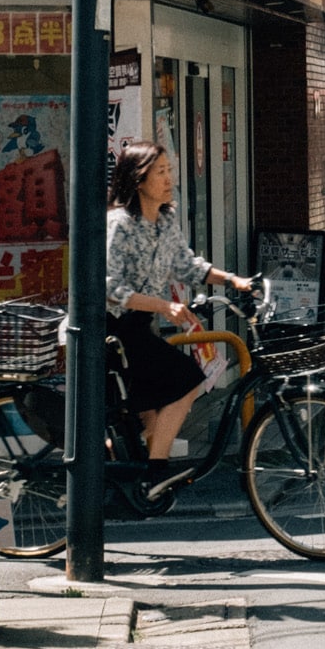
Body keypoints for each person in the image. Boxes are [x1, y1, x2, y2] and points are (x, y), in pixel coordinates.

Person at [105, 140, 253, 482]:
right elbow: (109, 288)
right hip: (113, 328)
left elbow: (188, 266)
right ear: (138, 180)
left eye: (169, 170)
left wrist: (235, 281)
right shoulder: (119, 224)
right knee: (185, 380)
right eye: (160, 172)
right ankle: (156, 473)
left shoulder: (166, 220)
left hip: (141, 327)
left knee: (151, 413)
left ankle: (138, 484)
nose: (169, 178)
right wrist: (164, 305)